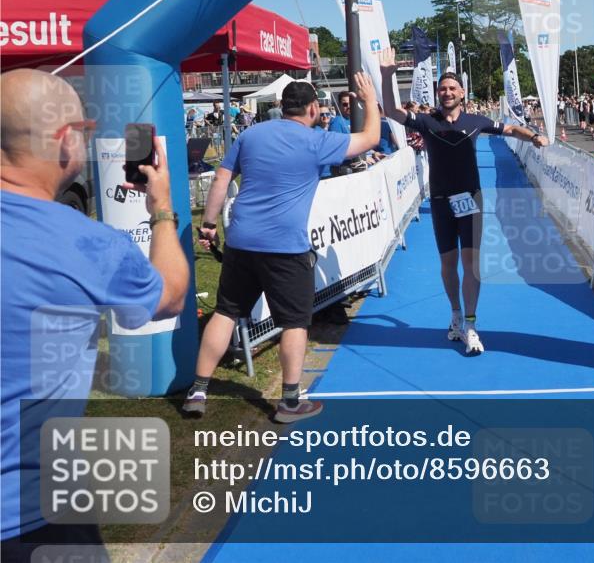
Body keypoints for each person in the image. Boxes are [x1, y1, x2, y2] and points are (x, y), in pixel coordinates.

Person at [1, 69, 188, 558]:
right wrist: (162, 208)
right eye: (84, 131)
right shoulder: (87, 244)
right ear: (65, 141)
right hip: (32, 516)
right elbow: (169, 296)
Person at [183, 75, 381, 422]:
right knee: (294, 322)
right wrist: (368, 99)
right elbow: (371, 139)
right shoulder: (317, 140)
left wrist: (210, 223)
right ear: (313, 108)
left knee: (227, 312)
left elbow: (221, 179)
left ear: (280, 106)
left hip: (242, 239)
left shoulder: (250, 134)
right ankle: (290, 402)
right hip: (285, 246)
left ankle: (198, 389)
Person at [380, 48, 548, 355]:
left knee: (471, 264)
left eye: (452, 88)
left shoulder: (475, 120)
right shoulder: (427, 122)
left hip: (470, 198)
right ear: (437, 93)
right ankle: (456, 315)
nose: (446, 92)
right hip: (442, 201)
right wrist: (387, 73)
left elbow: (509, 128)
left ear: (462, 93)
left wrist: (534, 136)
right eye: (442, 88)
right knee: (448, 265)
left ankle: (471, 324)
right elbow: (391, 110)